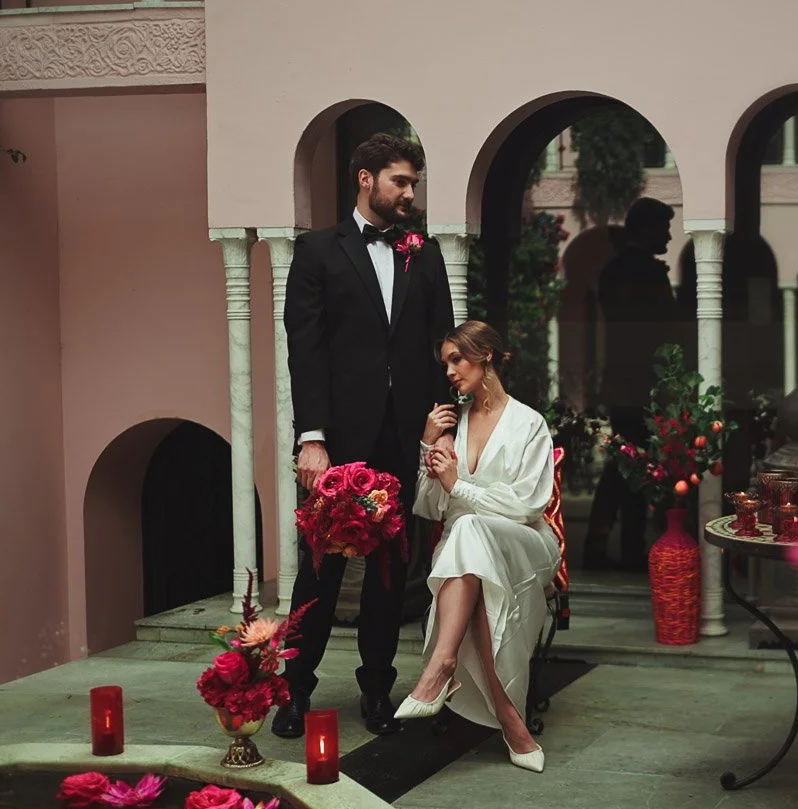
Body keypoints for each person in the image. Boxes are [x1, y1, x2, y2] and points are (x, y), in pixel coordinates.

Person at [276, 132, 456, 739]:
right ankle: (294, 691)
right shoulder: (317, 252)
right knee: (319, 571)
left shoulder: (423, 253)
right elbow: (306, 351)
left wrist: (441, 431)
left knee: (389, 570)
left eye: (413, 183)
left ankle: (376, 688)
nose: (409, 193)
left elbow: (442, 349)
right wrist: (312, 437)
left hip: (404, 438)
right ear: (365, 178)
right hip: (336, 439)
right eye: (399, 181)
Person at [396, 321, 560, 773]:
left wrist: (459, 487)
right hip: (466, 553)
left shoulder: (529, 423)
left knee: (469, 531)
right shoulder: (452, 425)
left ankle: (439, 668)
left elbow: (528, 506)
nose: (449, 371)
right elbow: (430, 507)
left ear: (486, 356)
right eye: (445, 363)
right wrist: (427, 445)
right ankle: (511, 720)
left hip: (526, 544)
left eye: (457, 359)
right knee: (468, 539)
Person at [585, 197, 678, 570]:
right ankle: (626, 547)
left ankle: (605, 543)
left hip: (624, 382)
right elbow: (660, 329)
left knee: (624, 467)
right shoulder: (642, 272)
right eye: (665, 228)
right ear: (646, 229)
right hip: (639, 385)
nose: (670, 236)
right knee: (635, 468)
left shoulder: (615, 269)